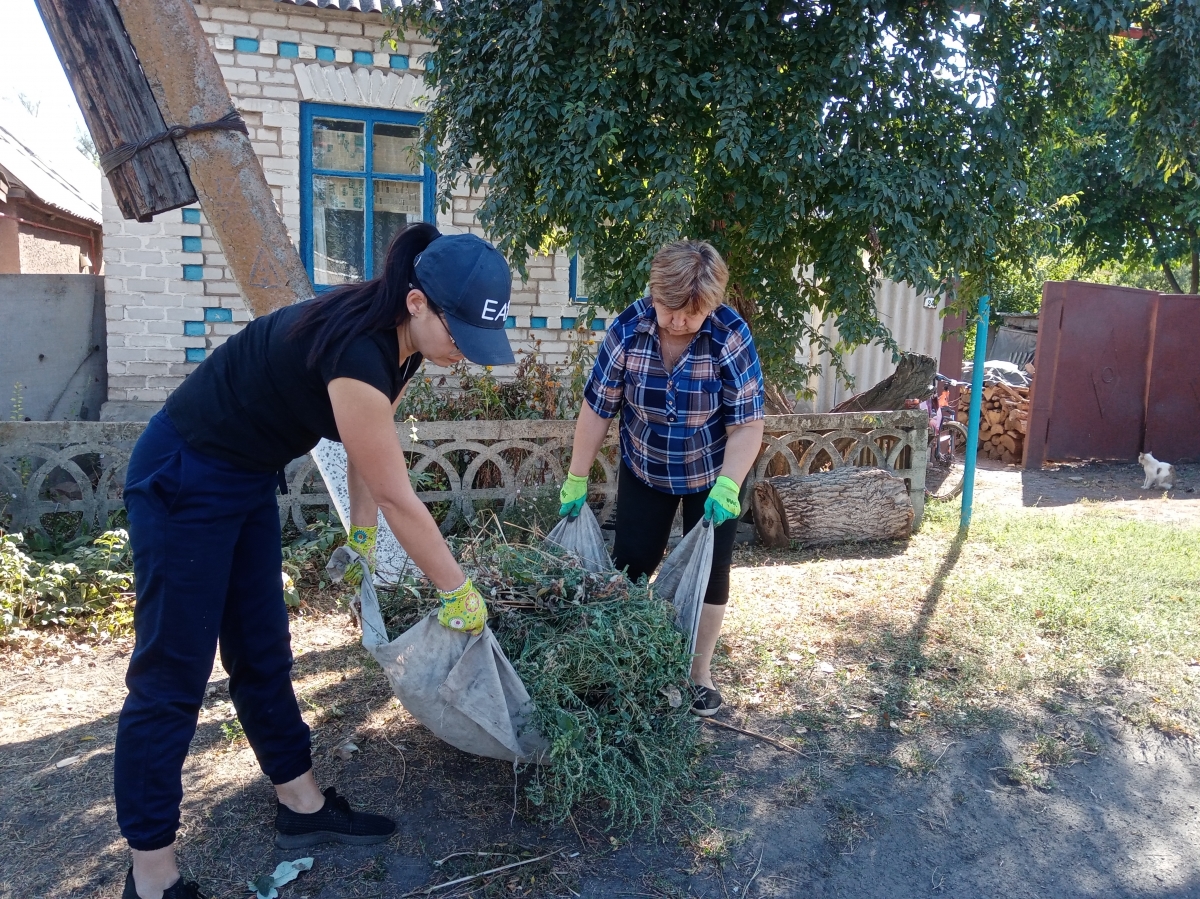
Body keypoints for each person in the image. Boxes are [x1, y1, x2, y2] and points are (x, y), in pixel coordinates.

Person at [115, 223, 515, 899]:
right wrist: (457, 587)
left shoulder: (401, 345)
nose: (466, 354)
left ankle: (299, 803)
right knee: (172, 673)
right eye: (463, 335)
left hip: (242, 476)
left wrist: (360, 538)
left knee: (263, 648)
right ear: (418, 302)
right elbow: (396, 491)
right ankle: (151, 873)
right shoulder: (361, 349)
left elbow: (369, 447)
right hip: (184, 474)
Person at [558, 239, 765, 717]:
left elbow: (748, 422)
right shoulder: (629, 329)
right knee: (632, 563)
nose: (678, 322)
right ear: (655, 293)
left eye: (691, 315)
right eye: (670, 309)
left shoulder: (729, 334)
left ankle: (698, 673)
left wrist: (730, 484)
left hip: (713, 474)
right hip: (645, 467)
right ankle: (624, 664)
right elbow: (597, 408)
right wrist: (576, 477)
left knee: (710, 573)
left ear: (710, 306)